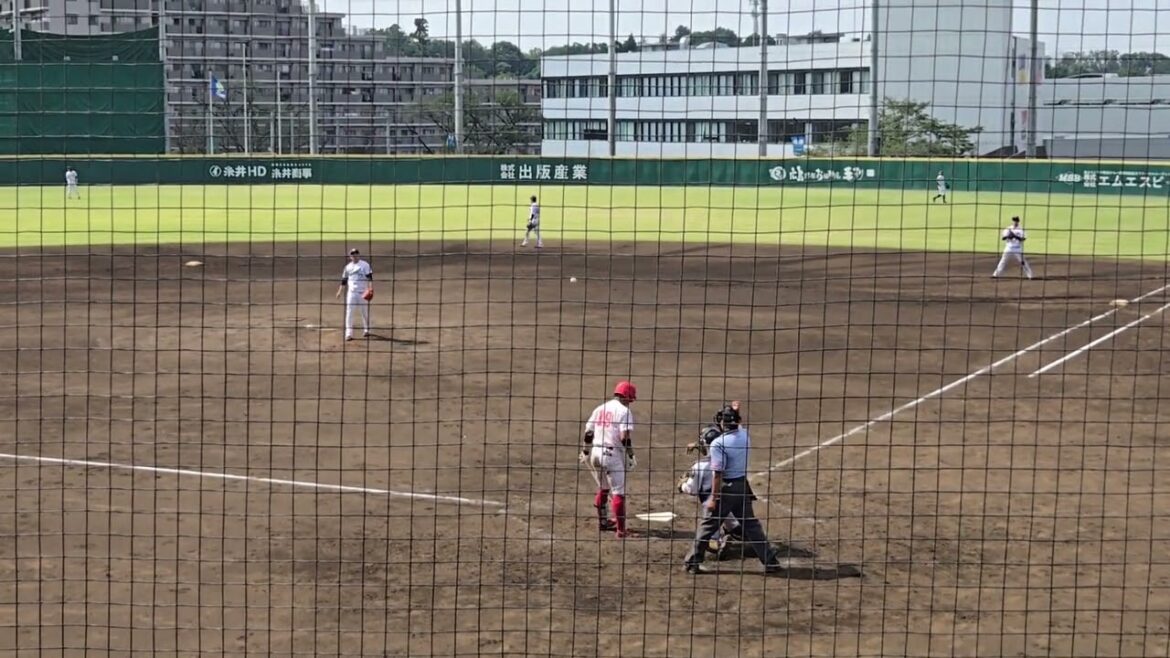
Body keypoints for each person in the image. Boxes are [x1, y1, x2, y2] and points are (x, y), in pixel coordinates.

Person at [683, 402, 782, 574]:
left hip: (725, 489)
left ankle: (693, 562)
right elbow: (738, 424)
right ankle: (771, 562)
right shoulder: (744, 435)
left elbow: (717, 474)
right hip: (743, 487)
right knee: (752, 526)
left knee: (707, 526)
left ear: (722, 423)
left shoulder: (717, 444)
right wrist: (736, 411)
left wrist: (713, 498)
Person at [678, 422, 744, 560]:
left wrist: (682, 484)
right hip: (730, 500)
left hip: (711, 504)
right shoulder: (728, 459)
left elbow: (692, 489)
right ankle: (748, 539)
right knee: (734, 524)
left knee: (707, 535)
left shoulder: (699, 466)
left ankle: (720, 544)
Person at [580, 380, 637, 538]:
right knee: (618, 492)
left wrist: (585, 451)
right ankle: (620, 530)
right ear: (626, 397)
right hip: (611, 456)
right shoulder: (624, 412)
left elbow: (588, 433)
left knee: (603, 489)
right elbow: (624, 437)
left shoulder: (600, 408)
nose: (630, 403)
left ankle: (603, 522)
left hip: (596, 453)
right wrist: (631, 455)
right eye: (630, 399)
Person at [335, 248, 373, 341]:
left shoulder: (365, 265)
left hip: (363, 293)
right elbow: (344, 280)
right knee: (349, 313)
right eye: (352, 254)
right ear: (350, 256)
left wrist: (370, 288)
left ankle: (366, 329)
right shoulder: (347, 267)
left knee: (364, 312)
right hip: (351, 293)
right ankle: (348, 334)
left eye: (356, 254)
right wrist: (340, 291)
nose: (354, 255)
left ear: (359, 255)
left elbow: (369, 278)